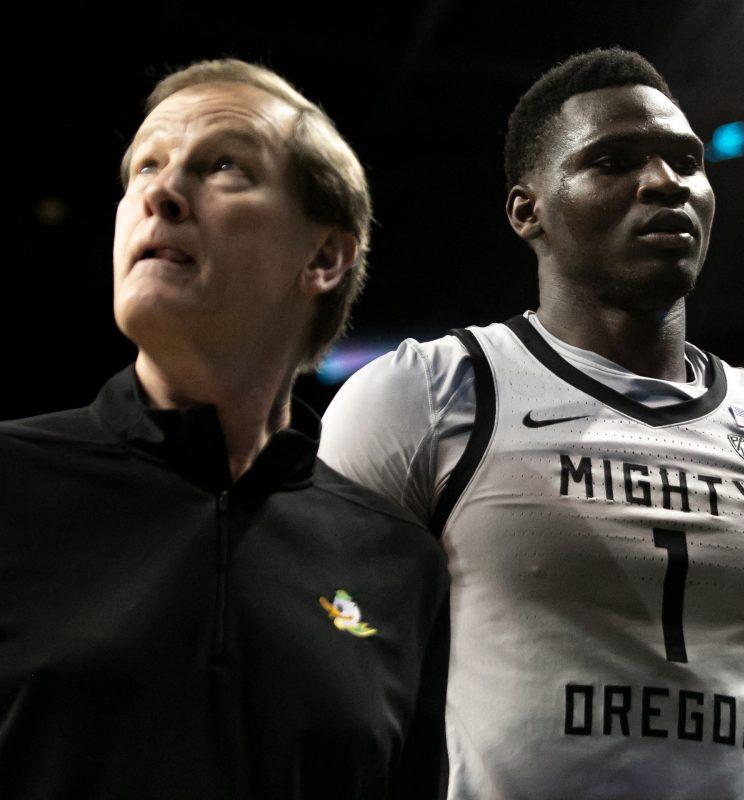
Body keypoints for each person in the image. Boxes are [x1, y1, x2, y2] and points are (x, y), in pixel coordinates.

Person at [321, 47, 744, 799]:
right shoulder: (427, 394)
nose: (666, 184)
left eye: (686, 160)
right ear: (528, 210)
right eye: (614, 161)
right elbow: (324, 668)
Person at [0, 59, 448, 798]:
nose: (160, 192)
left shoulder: (399, 562)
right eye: (145, 165)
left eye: (223, 167)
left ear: (325, 257)